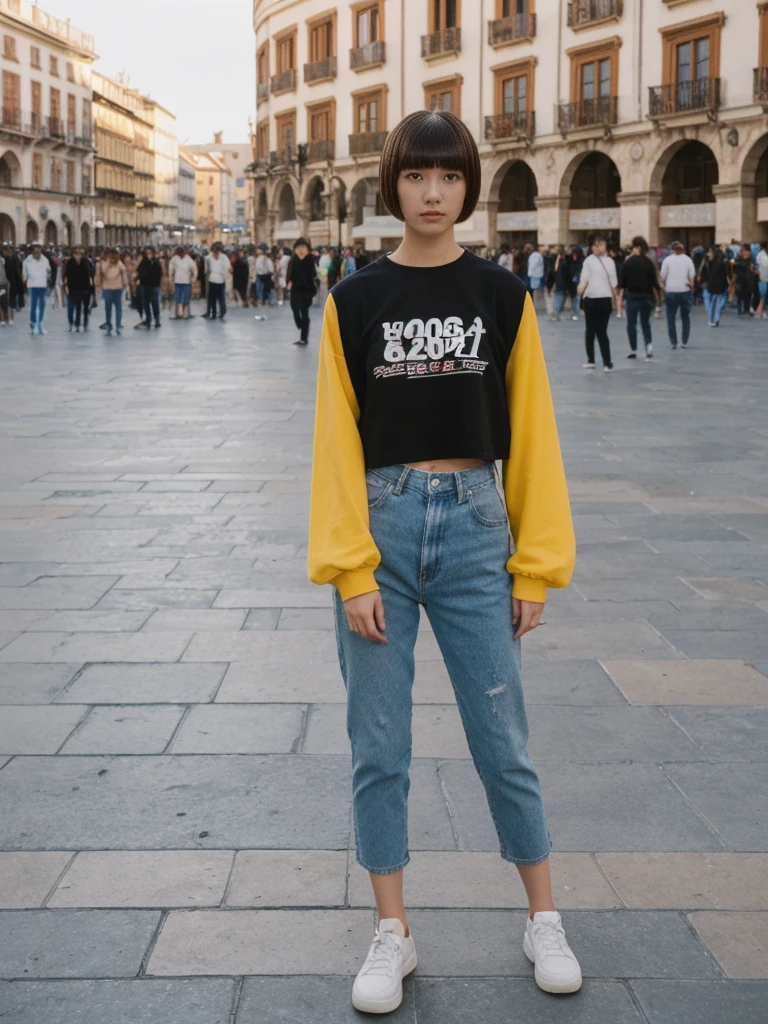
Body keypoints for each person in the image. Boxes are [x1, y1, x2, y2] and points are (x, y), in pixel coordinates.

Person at [308, 109, 581, 1015]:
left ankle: (543, 914)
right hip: (380, 533)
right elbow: (335, 446)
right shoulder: (353, 300)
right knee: (377, 746)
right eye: (419, 177)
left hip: (474, 533)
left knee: (504, 738)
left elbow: (534, 433)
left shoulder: (503, 296)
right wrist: (349, 568)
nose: (434, 193)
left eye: (451, 177)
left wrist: (536, 565)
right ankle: (393, 929)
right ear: (393, 186)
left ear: (469, 187)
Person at [577, 235, 618, 371]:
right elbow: (614, 283)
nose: (599, 247)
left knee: (599, 331)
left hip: (599, 298)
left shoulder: (602, 261)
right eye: (596, 245)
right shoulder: (592, 261)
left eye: (601, 244)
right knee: (592, 330)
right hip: (595, 298)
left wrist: (579, 291)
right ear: (592, 247)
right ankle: (597, 361)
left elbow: (584, 281)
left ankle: (603, 361)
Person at [617, 236, 661, 360]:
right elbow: (655, 283)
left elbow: (622, 283)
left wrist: (620, 300)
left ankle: (633, 349)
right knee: (645, 323)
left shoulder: (628, 263)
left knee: (631, 324)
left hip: (632, 297)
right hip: (647, 298)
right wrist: (658, 301)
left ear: (637, 248)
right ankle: (649, 348)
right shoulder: (649, 263)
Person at [660, 241, 695, 349]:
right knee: (685, 317)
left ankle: (673, 341)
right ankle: (684, 341)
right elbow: (691, 277)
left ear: (672, 249)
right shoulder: (688, 260)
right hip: (684, 290)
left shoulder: (667, 260)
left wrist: (663, 289)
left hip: (671, 291)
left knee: (671, 317)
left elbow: (662, 277)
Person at [286, 237, 317, 346]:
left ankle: (304, 338)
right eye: (298, 248)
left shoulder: (310, 259)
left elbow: (313, 274)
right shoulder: (293, 259)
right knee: (294, 307)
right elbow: (289, 272)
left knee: (304, 312)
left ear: (307, 249)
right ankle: (299, 324)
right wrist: (289, 281)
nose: (300, 250)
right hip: (295, 288)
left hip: (307, 290)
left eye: (303, 247)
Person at [95, 248, 129, 336]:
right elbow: (124, 273)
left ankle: (110, 324)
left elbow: (103, 271)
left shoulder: (108, 264)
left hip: (109, 288)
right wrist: (125, 284)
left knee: (109, 308)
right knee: (117, 308)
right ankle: (116, 325)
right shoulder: (119, 264)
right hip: (116, 288)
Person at [63, 246, 94, 332]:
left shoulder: (87, 262)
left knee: (86, 308)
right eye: (77, 253)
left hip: (86, 288)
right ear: (73, 254)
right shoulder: (70, 263)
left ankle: (85, 323)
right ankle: (76, 324)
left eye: (81, 254)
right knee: (77, 307)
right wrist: (66, 286)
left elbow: (91, 274)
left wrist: (92, 287)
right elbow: (66, 275)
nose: (79, 255)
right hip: (74, 288)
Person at [22, 243, 51, 335]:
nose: (37, 251)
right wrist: (25, 280)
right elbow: (24, 272)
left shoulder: (45, 260)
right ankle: (33, 325)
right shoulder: (28, 260)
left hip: (42, 285)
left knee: (42, 306)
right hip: (32, 285)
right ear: (33, 251)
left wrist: (47, 280)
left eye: (39, 249)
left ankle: (41, 325)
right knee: (33, 306)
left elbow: (48, 272)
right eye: (35, 249)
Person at [134, 247, 162, 329]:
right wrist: (138, 279)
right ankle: (148, 319)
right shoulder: (143, 262)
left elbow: (158, 273)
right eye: (147, 253)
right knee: (146, 304)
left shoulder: (156, 262)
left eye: (150, 253)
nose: (148, 255)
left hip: (154, 285)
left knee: (155, 303)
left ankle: (157, 320)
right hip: (145, 285)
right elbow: (139, 271)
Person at [169, 246, 197, 320]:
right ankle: (179, 314)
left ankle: (184, 312)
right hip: (177, 281)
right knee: (178, 298)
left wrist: (194, 277)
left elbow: (194, 268)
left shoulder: (188, 259)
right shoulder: (175, 259)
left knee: (185, 298)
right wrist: (170, 275)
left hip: (186, 281)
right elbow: (171, 267)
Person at [204, 243, 231, 320]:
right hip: (220, 280)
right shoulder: (224, 257)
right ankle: (222, 311)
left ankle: (214, 314)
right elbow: (228, 268)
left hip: (212, 279)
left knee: (212, 298)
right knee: (221, 297)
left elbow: (206, 269)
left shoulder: (209, 257)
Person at [732, 245, 756, 317]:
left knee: (748, 295)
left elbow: (754, 270)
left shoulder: (751, 260)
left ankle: (747, 309)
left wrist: (753, 270)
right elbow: (733, 268)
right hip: (740, 281)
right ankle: (740, 310)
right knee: (740, 295)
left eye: (747, 251)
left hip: (749, 281)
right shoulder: (737, 259)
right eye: (743, 251)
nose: (745, 253)